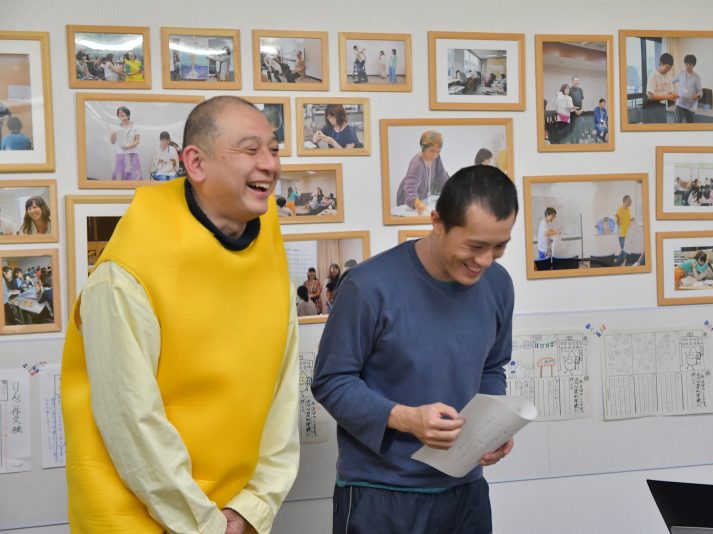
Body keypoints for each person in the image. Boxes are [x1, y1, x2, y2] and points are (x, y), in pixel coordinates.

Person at [61, 96, 300, 533]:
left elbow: (283, 390)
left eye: (274, 149)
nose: (270, 164)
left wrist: (256, 505)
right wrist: (206, 524)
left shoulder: (268, 245)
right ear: (195, 163)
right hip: (138, 516)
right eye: (251, 150)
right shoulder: (128, 269)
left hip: (233, 514)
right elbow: (131, 421)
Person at [312, 165, 518, 534]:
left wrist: (494, 425)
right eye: (474, 246)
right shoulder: (368, 287)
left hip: (466, 492)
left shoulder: (498, 285)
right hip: (380, 494)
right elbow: (331, 381)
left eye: (499, 246)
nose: (486, 261)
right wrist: (406, 419)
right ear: (437, 221)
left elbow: (492, 366)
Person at [396, 130, 450, 213]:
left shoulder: (436, 158)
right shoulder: (417, 164)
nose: (435, 155)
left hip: (423, 199)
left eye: (438, 151)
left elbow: (441, 174)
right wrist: (416, 203)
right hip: (409, 202)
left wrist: (450, 189)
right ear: (424, 148)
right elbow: (410, 188)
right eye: (432, 151)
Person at [110, 106, 142, 181]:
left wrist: (128, 146)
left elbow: (137, 141)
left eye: (122, 113)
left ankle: (132, 186)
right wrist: (112, 135)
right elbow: (113, 142)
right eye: (119, 113)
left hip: (132, 152)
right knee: (119, 172)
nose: (120, 114)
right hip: (120, 153)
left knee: (133, 172)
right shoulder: (116, 127)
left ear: (128, 115)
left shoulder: (135, 126)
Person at [644, 53, 677, 123]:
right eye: (667, 67)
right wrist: (667, 97)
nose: (668, 70)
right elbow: (651, 96)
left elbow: (671, 91)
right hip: (651, 106)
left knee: (662, 125)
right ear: (661, 63)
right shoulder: (653, 76)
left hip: (662, 105)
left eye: (670, 68)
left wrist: (674, 95)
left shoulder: (669, 76)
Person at [673, 54, 703, 123]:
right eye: (686, 64)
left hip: (690, 106)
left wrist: (698, 96)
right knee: (677, 124)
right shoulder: (681, 73)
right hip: (680, 103)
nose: (688, 67)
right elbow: (671, 81)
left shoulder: (696, 77)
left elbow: (700, 91)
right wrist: (672, 90)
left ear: (693, 65)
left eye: (690, 65)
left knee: (690, 125)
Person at [615, 195, 633, 260]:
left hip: (628, 234)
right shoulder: (620, 210)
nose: (631, 201)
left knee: (626, 251)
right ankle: (617, 264)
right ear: (625, 201)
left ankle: (622, 264)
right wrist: (618, 219)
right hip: (622, 235)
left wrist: (631, 220)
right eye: (629, 200)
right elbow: (618, 223)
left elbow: (627, 221)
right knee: (624, 251)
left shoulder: (629, 210)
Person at [568, 76, 584, 142]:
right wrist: (575, 110)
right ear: (572, 81)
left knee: (579, 129)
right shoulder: (569, 90)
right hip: (572, 113)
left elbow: (582, 100)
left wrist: (581, 110)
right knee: (572, 129)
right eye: (575, 80)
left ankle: (577, 143)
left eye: (578, 81)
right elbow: (569, 102)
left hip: (579, 113)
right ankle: (572, 144)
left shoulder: (580, 90)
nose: (577, 82)